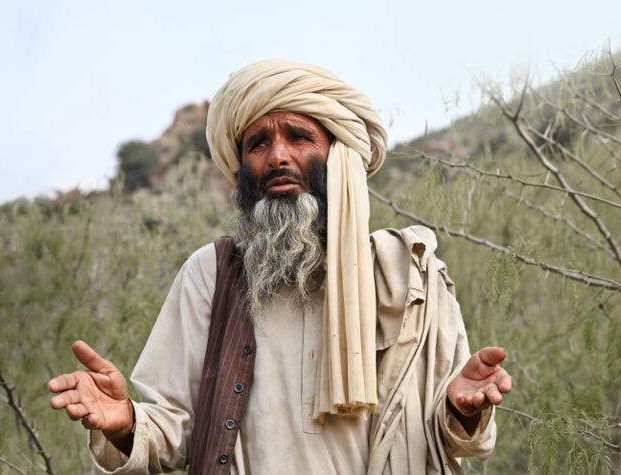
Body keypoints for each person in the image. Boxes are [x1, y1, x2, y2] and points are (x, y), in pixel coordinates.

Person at [47, 60, 511, 474]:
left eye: (299, 136)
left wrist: (463, 410)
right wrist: (127, 423)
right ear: (241, 166)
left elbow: (457, 439)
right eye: (258, 144)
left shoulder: (408, 274)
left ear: (341, 157)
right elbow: (173, 428)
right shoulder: (211, 273)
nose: (277, 157)